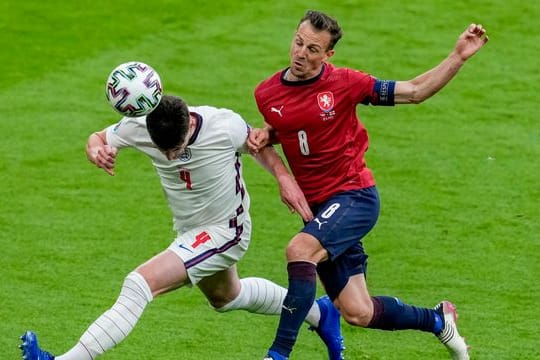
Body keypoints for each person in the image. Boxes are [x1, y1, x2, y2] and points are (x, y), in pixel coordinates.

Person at [19, 94, 345, 360]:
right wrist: (97, 151)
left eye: (175, 150)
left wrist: (284, 179)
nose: (171, 157)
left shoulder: (223, 125)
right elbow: (99, 137)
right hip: (190, 230)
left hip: (226, 231)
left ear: (189, 124)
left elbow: (259, 146)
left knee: (138, 284)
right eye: (164, 152)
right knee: (226, 297)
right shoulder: (142, 124)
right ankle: (320, 314)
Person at [248, 10, 489, 360]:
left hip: (354, 196)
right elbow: (291, 129)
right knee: (358, 312)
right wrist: (267, 136)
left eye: (313, 49)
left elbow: (415, 91)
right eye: (298, 43)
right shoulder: (267, 93)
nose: (301, 54)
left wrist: (457, 57)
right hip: (319, 211)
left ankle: (278, 354)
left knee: (300, 251)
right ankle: (437, 319)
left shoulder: (346, 83)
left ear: (328, 55)